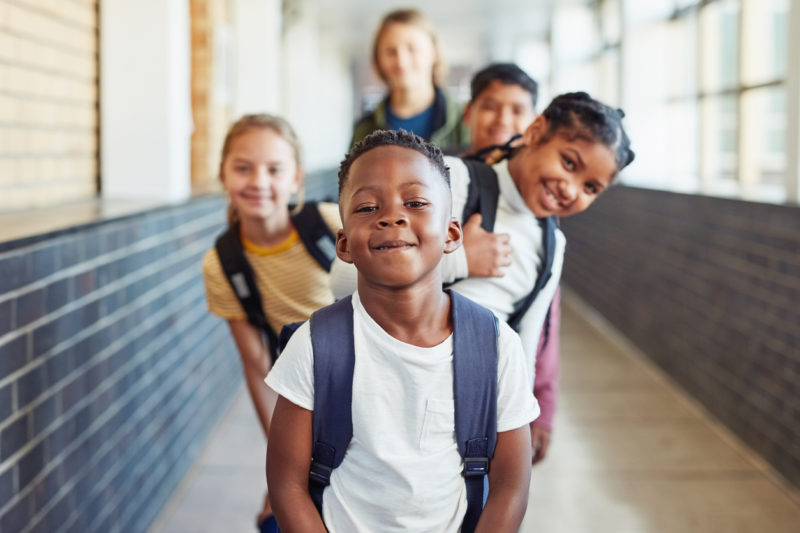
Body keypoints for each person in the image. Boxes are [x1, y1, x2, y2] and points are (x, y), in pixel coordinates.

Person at [331, 92, 635, 467]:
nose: (571, 189)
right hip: (381, 399)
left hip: (466, 422)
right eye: (569, 162)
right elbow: (344, 279)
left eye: (591, 187)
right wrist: (461, 259)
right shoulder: (452, 180)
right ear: (536, 131)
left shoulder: (553, 245)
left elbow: (524, 347)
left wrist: (518, 431)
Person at [266, 130, 538, 532]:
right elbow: (287, 486)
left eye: (415, 202)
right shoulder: (316, 345)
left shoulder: (495, 346)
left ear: (451, 235)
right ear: (344, 244)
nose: (392, 216)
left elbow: (510, 487)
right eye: (367, 207)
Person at [201, 114, 340, 532]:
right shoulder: (222, 264)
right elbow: (258, 364)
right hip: (303, 391)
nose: (258, 181)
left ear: (295, 178)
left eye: (274, 169)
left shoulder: (331, 224)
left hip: (366, 375)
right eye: (243, 167)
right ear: (223, 174)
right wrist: (281, 463)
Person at [461, 62, 556, 464]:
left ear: (534, 123)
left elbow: (544, 313)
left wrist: (542, 403)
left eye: (517, 109)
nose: (503, 119)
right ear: (468, 113)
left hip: (503, 386)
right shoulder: (440, 178)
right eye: (490, 105)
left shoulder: (539, 204)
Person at [349, 8, 469, 151]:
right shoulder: (364, 129)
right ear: (378, 58)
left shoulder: (467, 120)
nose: (401, 62)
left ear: (434, 52)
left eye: (412, 49)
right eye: (390, 51)